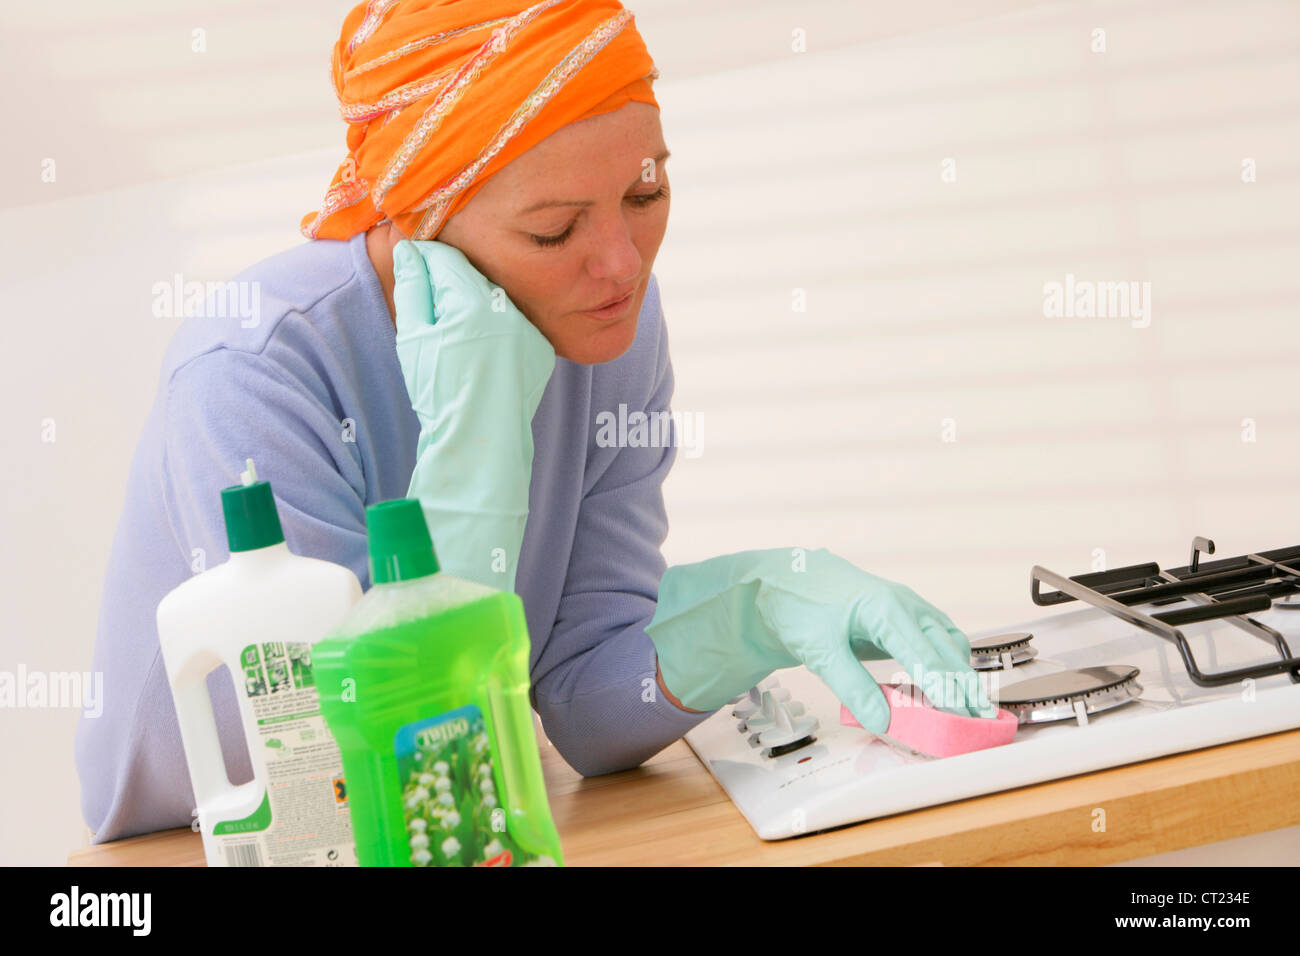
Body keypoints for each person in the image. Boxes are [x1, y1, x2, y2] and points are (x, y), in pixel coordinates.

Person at [77, 0, 982, 845]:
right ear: (420, 222)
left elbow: (587, 701)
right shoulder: (254, 370)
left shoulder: (610, 328)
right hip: (217, 846)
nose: (622, 266)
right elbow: (366, 756)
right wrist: (476, 438)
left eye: (645, 191)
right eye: (554, 232)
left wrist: (754, 611)